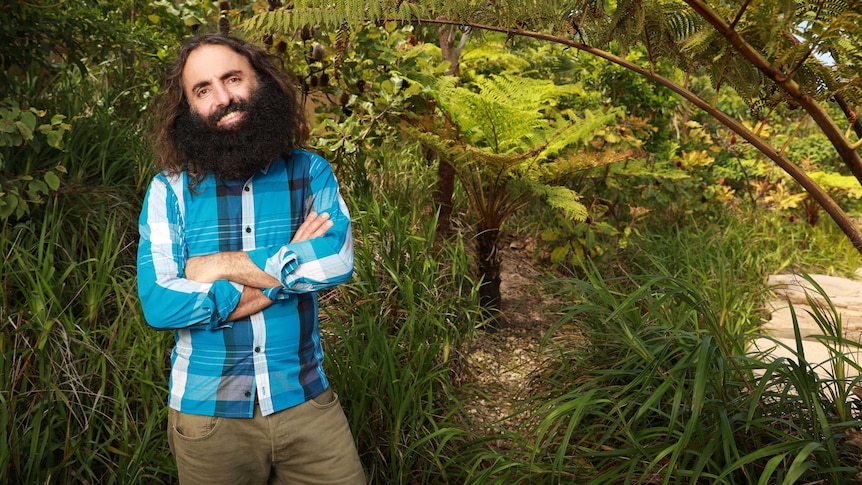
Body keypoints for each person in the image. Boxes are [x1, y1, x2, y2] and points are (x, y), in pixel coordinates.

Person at [136, 32, 365, 484]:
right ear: (187, 108)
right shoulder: (169, 191)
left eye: (232, 78)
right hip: (209, 418)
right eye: (203, 89)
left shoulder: (310, 172)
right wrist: (289, 270)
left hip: (306, 403)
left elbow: (336, 260)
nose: (223, 98)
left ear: (259, 81)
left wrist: (214, 266)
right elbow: (161, 303)